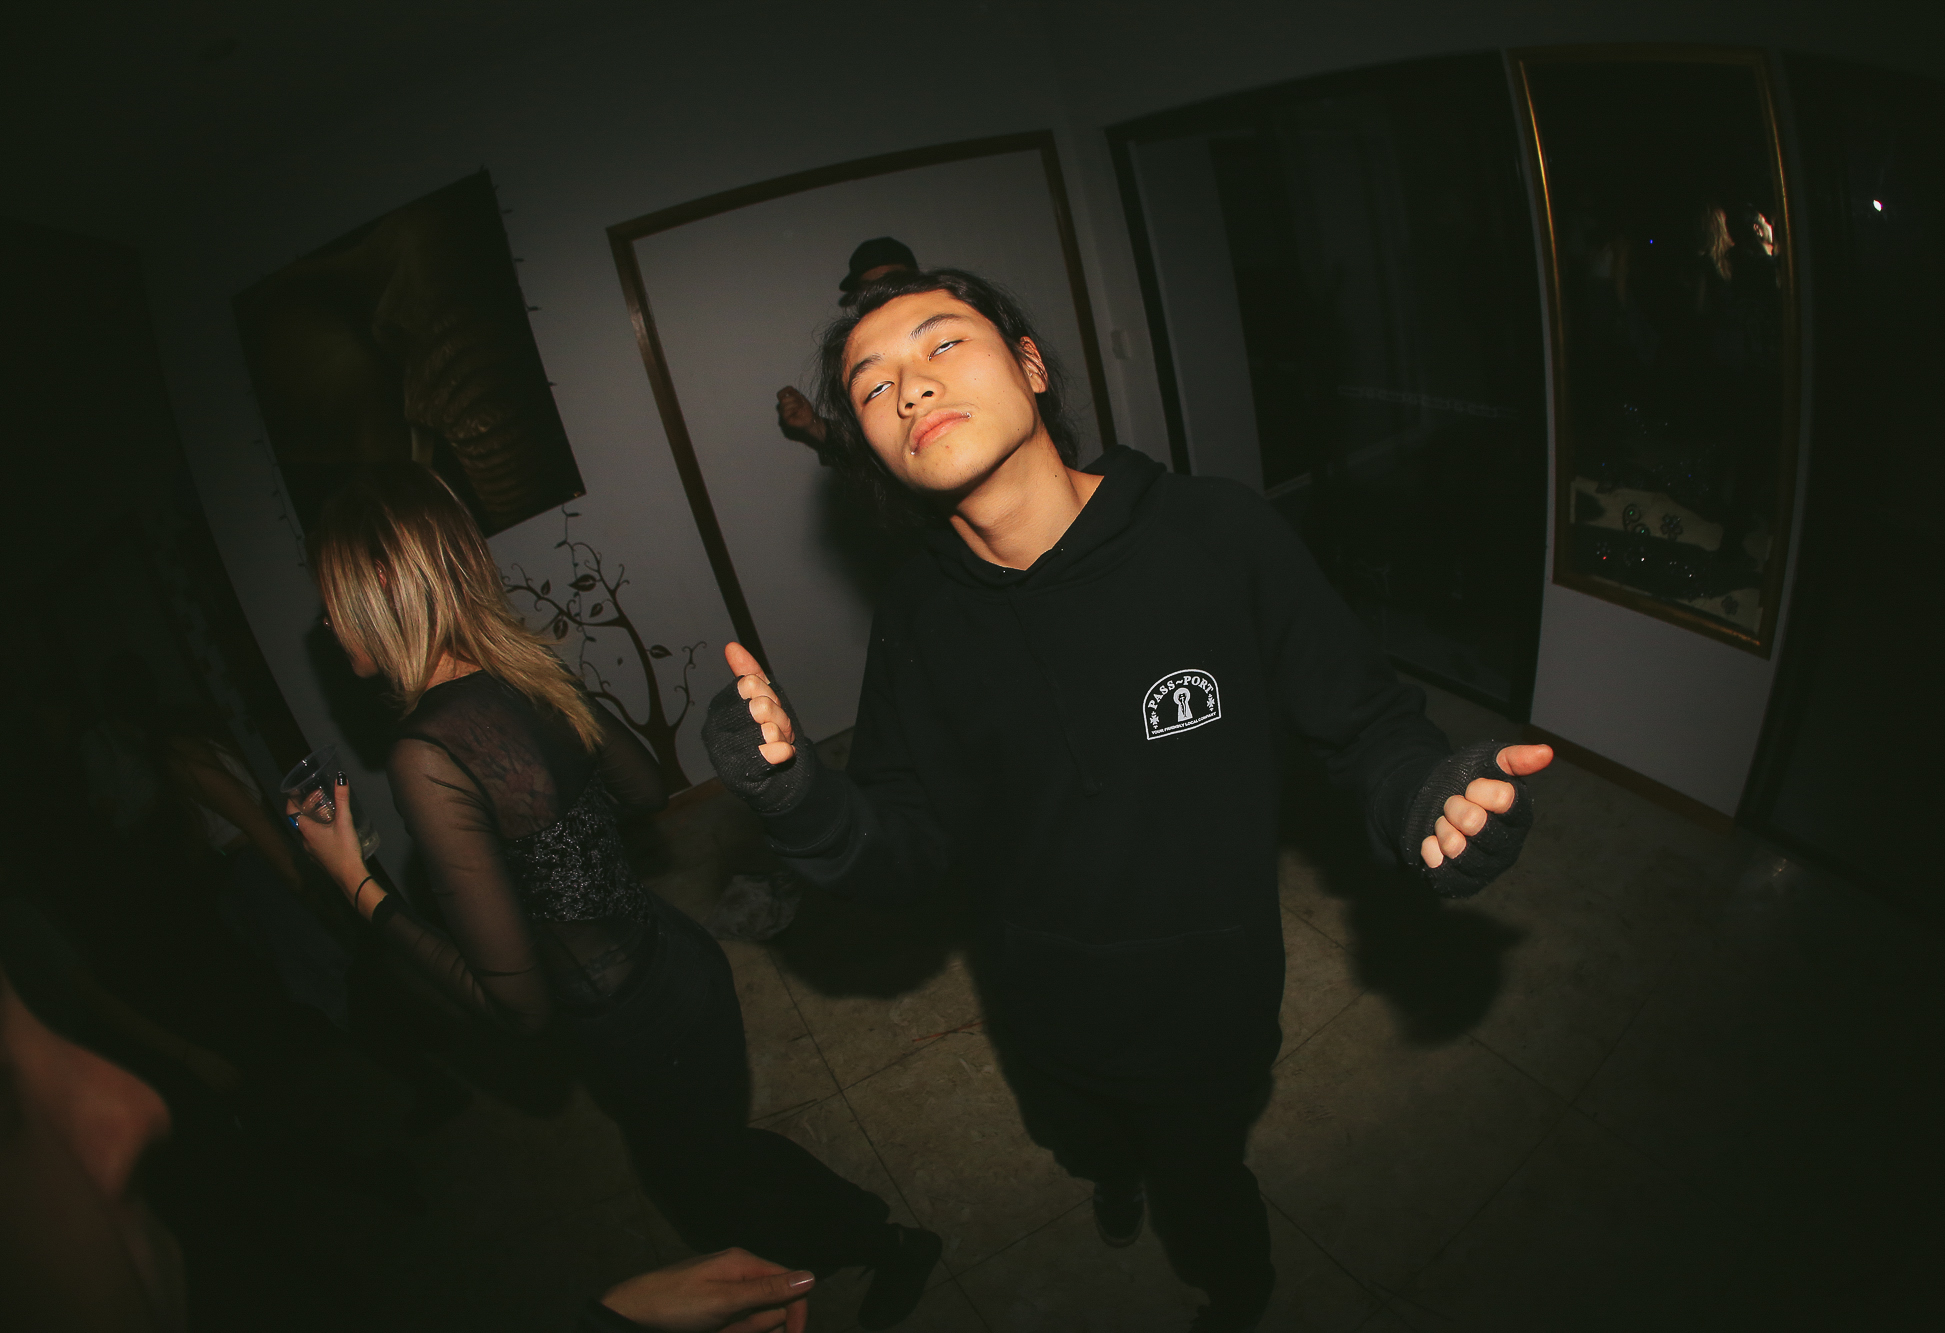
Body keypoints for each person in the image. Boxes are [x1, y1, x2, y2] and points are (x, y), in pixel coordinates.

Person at [700, 268, 1553, 1332]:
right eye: (872, 387)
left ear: (1030, 365)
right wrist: (796, 796)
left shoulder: (1215, 534)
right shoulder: (918, 615)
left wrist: (1422, 794)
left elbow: (1365, 719)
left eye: (942, 344)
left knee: (1205, 1185)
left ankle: (1237, 1292)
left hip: (1208, 994)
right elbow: (903, 842)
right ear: (869, 446)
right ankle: (1108, 1174)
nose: (909, 388)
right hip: (1040, 1000)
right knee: (1082, 1141)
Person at [293, 465, 940, 1328]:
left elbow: (519, 1006)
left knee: (710, 1193)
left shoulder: (425, 752)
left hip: (631, 1020)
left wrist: (356, 885)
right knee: (722, 1156)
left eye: (332, 599)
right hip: (680, 963)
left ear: (381, 592)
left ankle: (880, 1245)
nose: (325, 621)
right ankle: (872, 1238)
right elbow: (642, 788)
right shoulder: (522, 673)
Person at [0, 959, 819, 1332]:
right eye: (7, 1107)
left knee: (706, 1159)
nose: (133, 1107)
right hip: (668, 975)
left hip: (649, 993)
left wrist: (612, 1322)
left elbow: (521, 1008)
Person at [775, 237, 919, 456]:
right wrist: (814, 425)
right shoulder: (859, 358)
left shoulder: (961, 322)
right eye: (869, 289)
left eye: (893, 282)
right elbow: (871, 452)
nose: (882, 295)